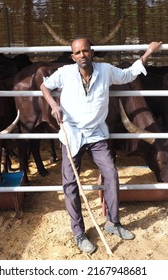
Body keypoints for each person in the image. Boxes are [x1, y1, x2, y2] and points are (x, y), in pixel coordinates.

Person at [40, 38, 162, 254]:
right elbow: (44, 85)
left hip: (97, 134)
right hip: (72, 134)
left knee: (111, 174)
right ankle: (78, 232)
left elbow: (128, 74)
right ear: (72, 56)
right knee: (70, 184)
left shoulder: (105, 70)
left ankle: (112, 223)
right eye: (77, 53)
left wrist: (148, 53)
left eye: (85, 51)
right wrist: (53, 106)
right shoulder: (65, 73)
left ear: (92, 52)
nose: (82, 55)